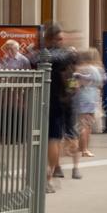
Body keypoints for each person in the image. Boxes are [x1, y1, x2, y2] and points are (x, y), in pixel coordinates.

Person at [35, 21, 78, 191]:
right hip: (57, 102)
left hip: (53, 102)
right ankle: (49, 176)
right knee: (53, 139)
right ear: (51, 39)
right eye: (59, 39)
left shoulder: (42, 55)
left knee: (51, 139)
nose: (62, 41)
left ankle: (49, 174)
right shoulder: (62, 55)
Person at [72, 48, 106, 172]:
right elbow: (102, 84)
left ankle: (83, 148)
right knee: (88, 124)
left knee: (82, 124)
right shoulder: (98, 69)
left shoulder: (80, 69)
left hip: (82, 96)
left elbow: (75, 84)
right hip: (93, 96)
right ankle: (85, 148)